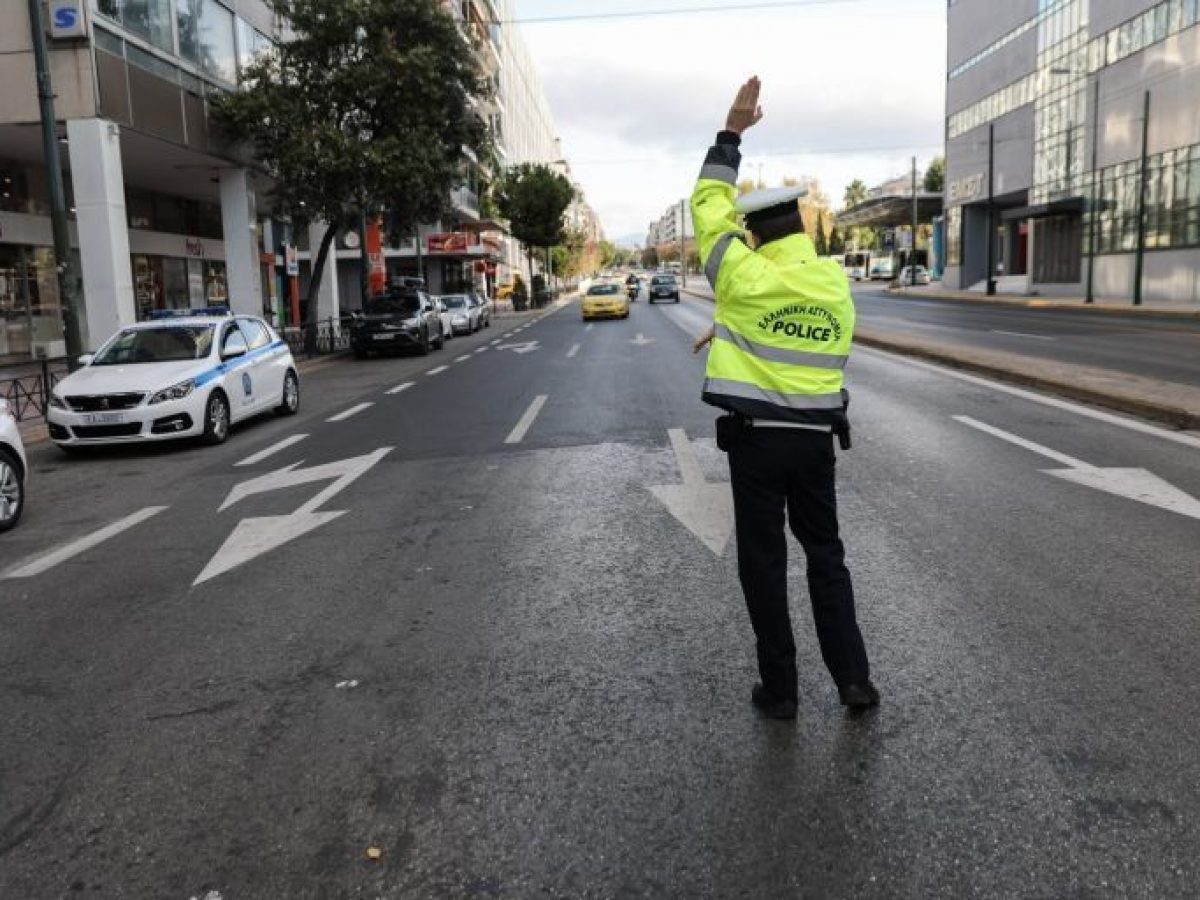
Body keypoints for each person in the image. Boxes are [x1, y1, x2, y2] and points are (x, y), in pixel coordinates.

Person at [691, 77, 878, 720]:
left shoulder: (740, 276)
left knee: (765, 566)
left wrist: (730, 136)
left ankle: (782, 692)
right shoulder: (833, 284)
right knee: (827, 560)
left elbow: (707, 206)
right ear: (800, 226)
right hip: (815, 447)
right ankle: (854, 679)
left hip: (756, 445)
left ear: (753, 235)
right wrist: (732, 323)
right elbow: (801, 329)